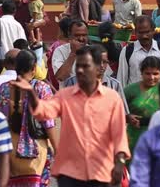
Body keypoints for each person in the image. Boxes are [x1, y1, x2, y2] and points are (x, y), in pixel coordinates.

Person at [11, 45, 130, 187]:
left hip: (102, 172)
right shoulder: (65, 95)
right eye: (78, 66)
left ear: (98, 68)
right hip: (71, 174)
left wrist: (120, 163)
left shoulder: (112, 98)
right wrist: (31, 93)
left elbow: (119, 134)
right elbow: (44, 111)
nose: (80, 70)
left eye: (85, 66)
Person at [0, 49, 58, 187]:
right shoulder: (41, 88)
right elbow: (48, 123)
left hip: (9, 148)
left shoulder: (3, 88)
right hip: (36, 150)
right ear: (34, 68)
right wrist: (56, 149)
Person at [64, 45, 129, 114]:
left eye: (104, 62)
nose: (101, 65)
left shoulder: (115, 85)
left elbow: (122, 114)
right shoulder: (72, 82)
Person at [117, 16, 160, 87]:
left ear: (153, 31)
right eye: (140, 33)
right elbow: (121, 80)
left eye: (147, 32)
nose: (144, 36)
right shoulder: (127, 51)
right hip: (135, 97)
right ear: (135, 32)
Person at [124, 56, 160, 152]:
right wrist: (127, 117)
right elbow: (115, 112)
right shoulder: (130, 90)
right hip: (135, 139)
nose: (151, 77)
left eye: (155, 73)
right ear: (141, 73)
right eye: (147, 74)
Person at [0, 0, 26, 68]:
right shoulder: (18, 25)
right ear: (15, 11)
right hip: (14, 62)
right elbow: (23, 44)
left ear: (2, 10)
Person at [52, 20, 89, 88]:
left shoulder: (93, 51)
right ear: (69, 35)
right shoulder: (60, 51)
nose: (81, 38)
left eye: (84, 35)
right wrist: (73, 53)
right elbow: (61, 77)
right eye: (77, 35)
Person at [46, 17, 72, 90]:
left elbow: (51, 69)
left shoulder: (56, 46)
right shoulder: (75, 46)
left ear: (61, 31)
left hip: (57, 87)